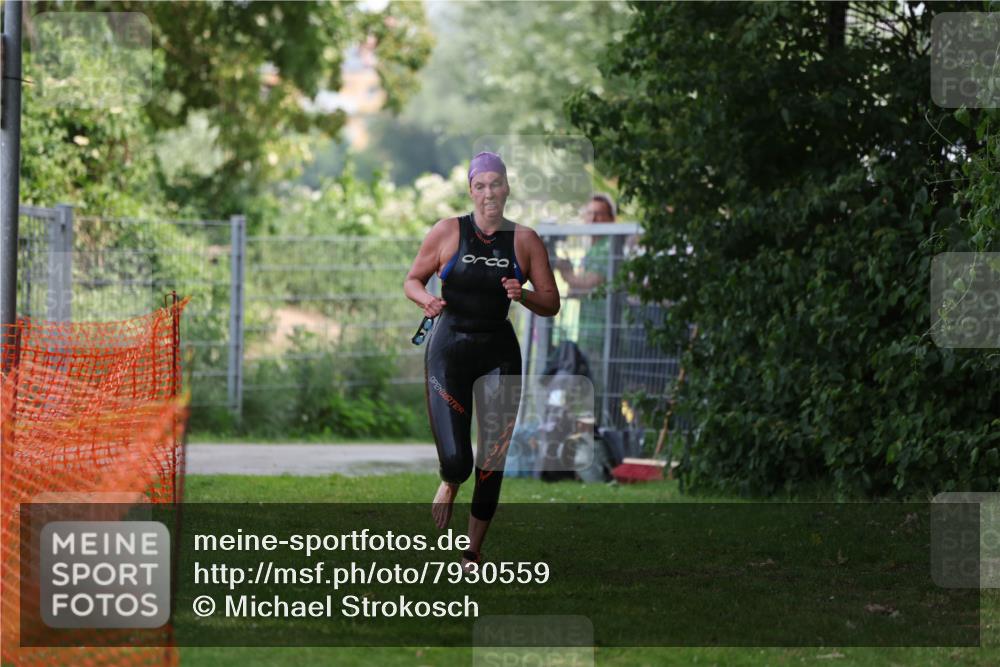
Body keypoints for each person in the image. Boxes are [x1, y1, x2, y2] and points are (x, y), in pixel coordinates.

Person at [403, 151, 560, 570]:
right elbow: (412, 279)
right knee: (457, 461)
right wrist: (427, 299)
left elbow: (551, 302)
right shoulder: (447, 232)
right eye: (480, 185)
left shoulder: (525, 240)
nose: (488, 192)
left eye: (496, 184)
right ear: (471, 190)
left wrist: (521, 294)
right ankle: (451, 480)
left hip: (498, 353)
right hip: (449, 348)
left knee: (493, 457)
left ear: (507, 187)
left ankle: (471, 552)